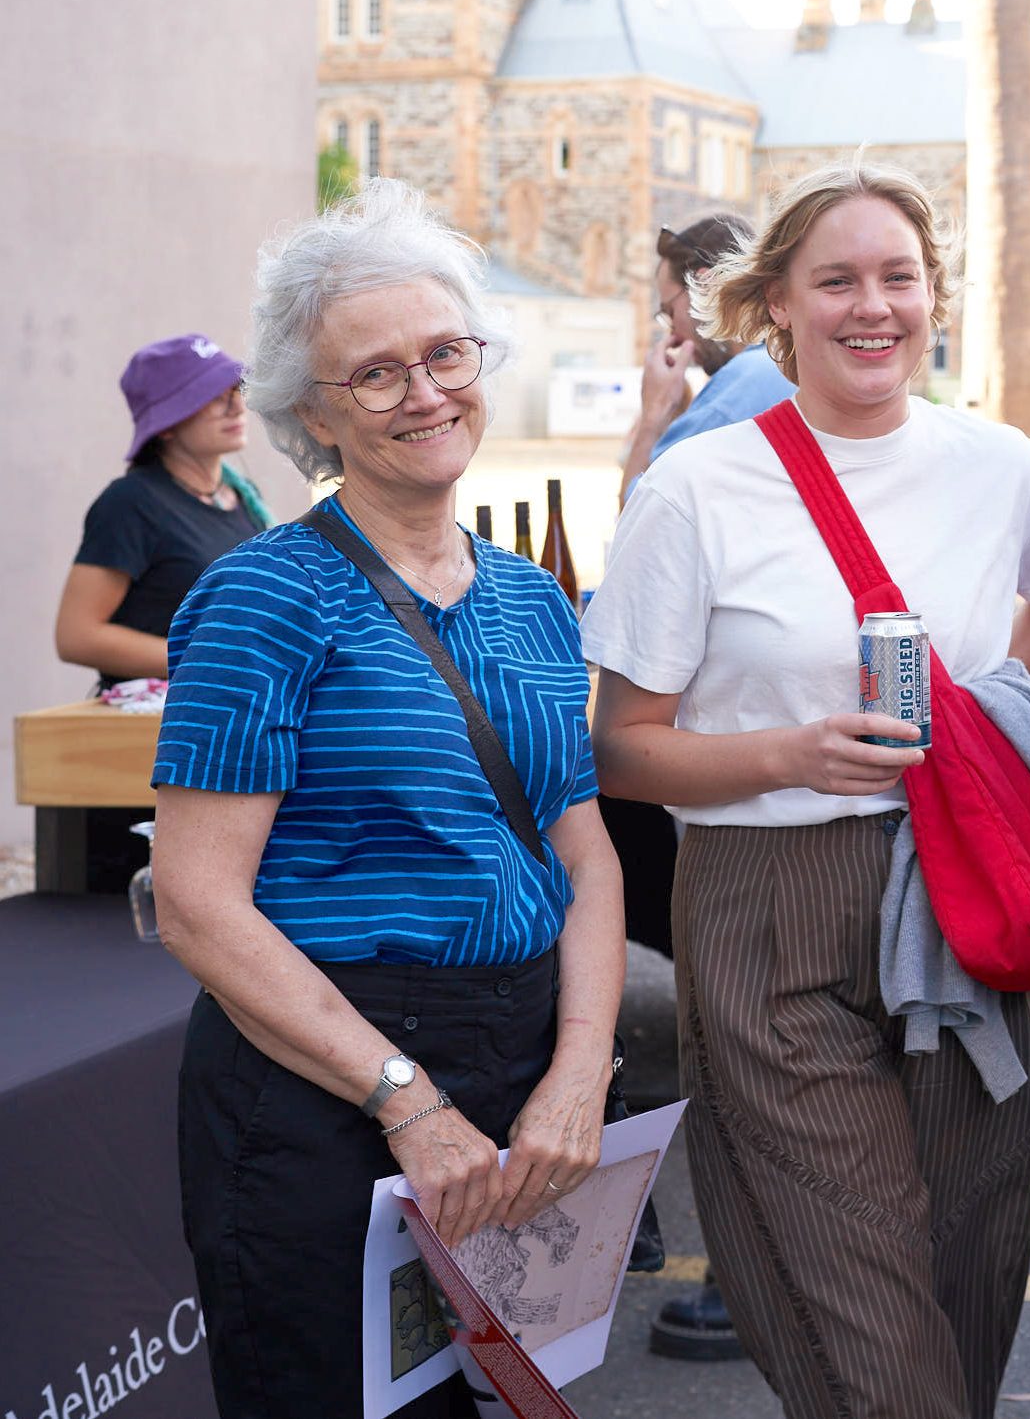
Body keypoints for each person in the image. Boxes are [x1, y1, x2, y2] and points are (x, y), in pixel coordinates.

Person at [583, 158, 1030, 1419]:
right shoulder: (695, 489)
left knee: (969, 1248)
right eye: (838, 280)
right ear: (777, 309)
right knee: (848, 1275)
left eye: (899, 278)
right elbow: (620, 746)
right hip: (765, 899)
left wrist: (974, 712)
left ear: (934, 299)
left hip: (958, 886)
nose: (874, 307)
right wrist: (788, 753)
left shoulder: (1004, 467)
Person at [151, 178, 625, 1419]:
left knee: (515, 1397)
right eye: (375, 375)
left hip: (521, 1063)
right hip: (324, 1081)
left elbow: (583, 853)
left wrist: (578, 1071)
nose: (424, 393)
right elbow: (200, 908)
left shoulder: (529, 600)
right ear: (314, 410)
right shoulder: (264, 597)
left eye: (444, 353)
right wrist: (405, 1101)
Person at [603, 211, 796, 1364]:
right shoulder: (781, 396)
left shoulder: (722, 416)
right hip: (774, 762)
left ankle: (741, 1267)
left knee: (747, 1025)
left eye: (665, 297)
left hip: (722, 771)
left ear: (696, 301)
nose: (661, 318)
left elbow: (634, 569)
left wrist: (648, 424)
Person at [56, 334, 276, 891]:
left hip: (231, 738)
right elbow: (77, 635)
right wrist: (210, 664)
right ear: (168, 422)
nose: (234, 404)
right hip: (148, 759)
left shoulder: (239, 500)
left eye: (235, 389)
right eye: (210, 394)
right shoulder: (131, 503)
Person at [616, 213, 795, 503]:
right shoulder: (783, 363)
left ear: (706, 286)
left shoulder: (740, 387)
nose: (672, 335)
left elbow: (637, 512)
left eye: (670, 311)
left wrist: (653, 415)